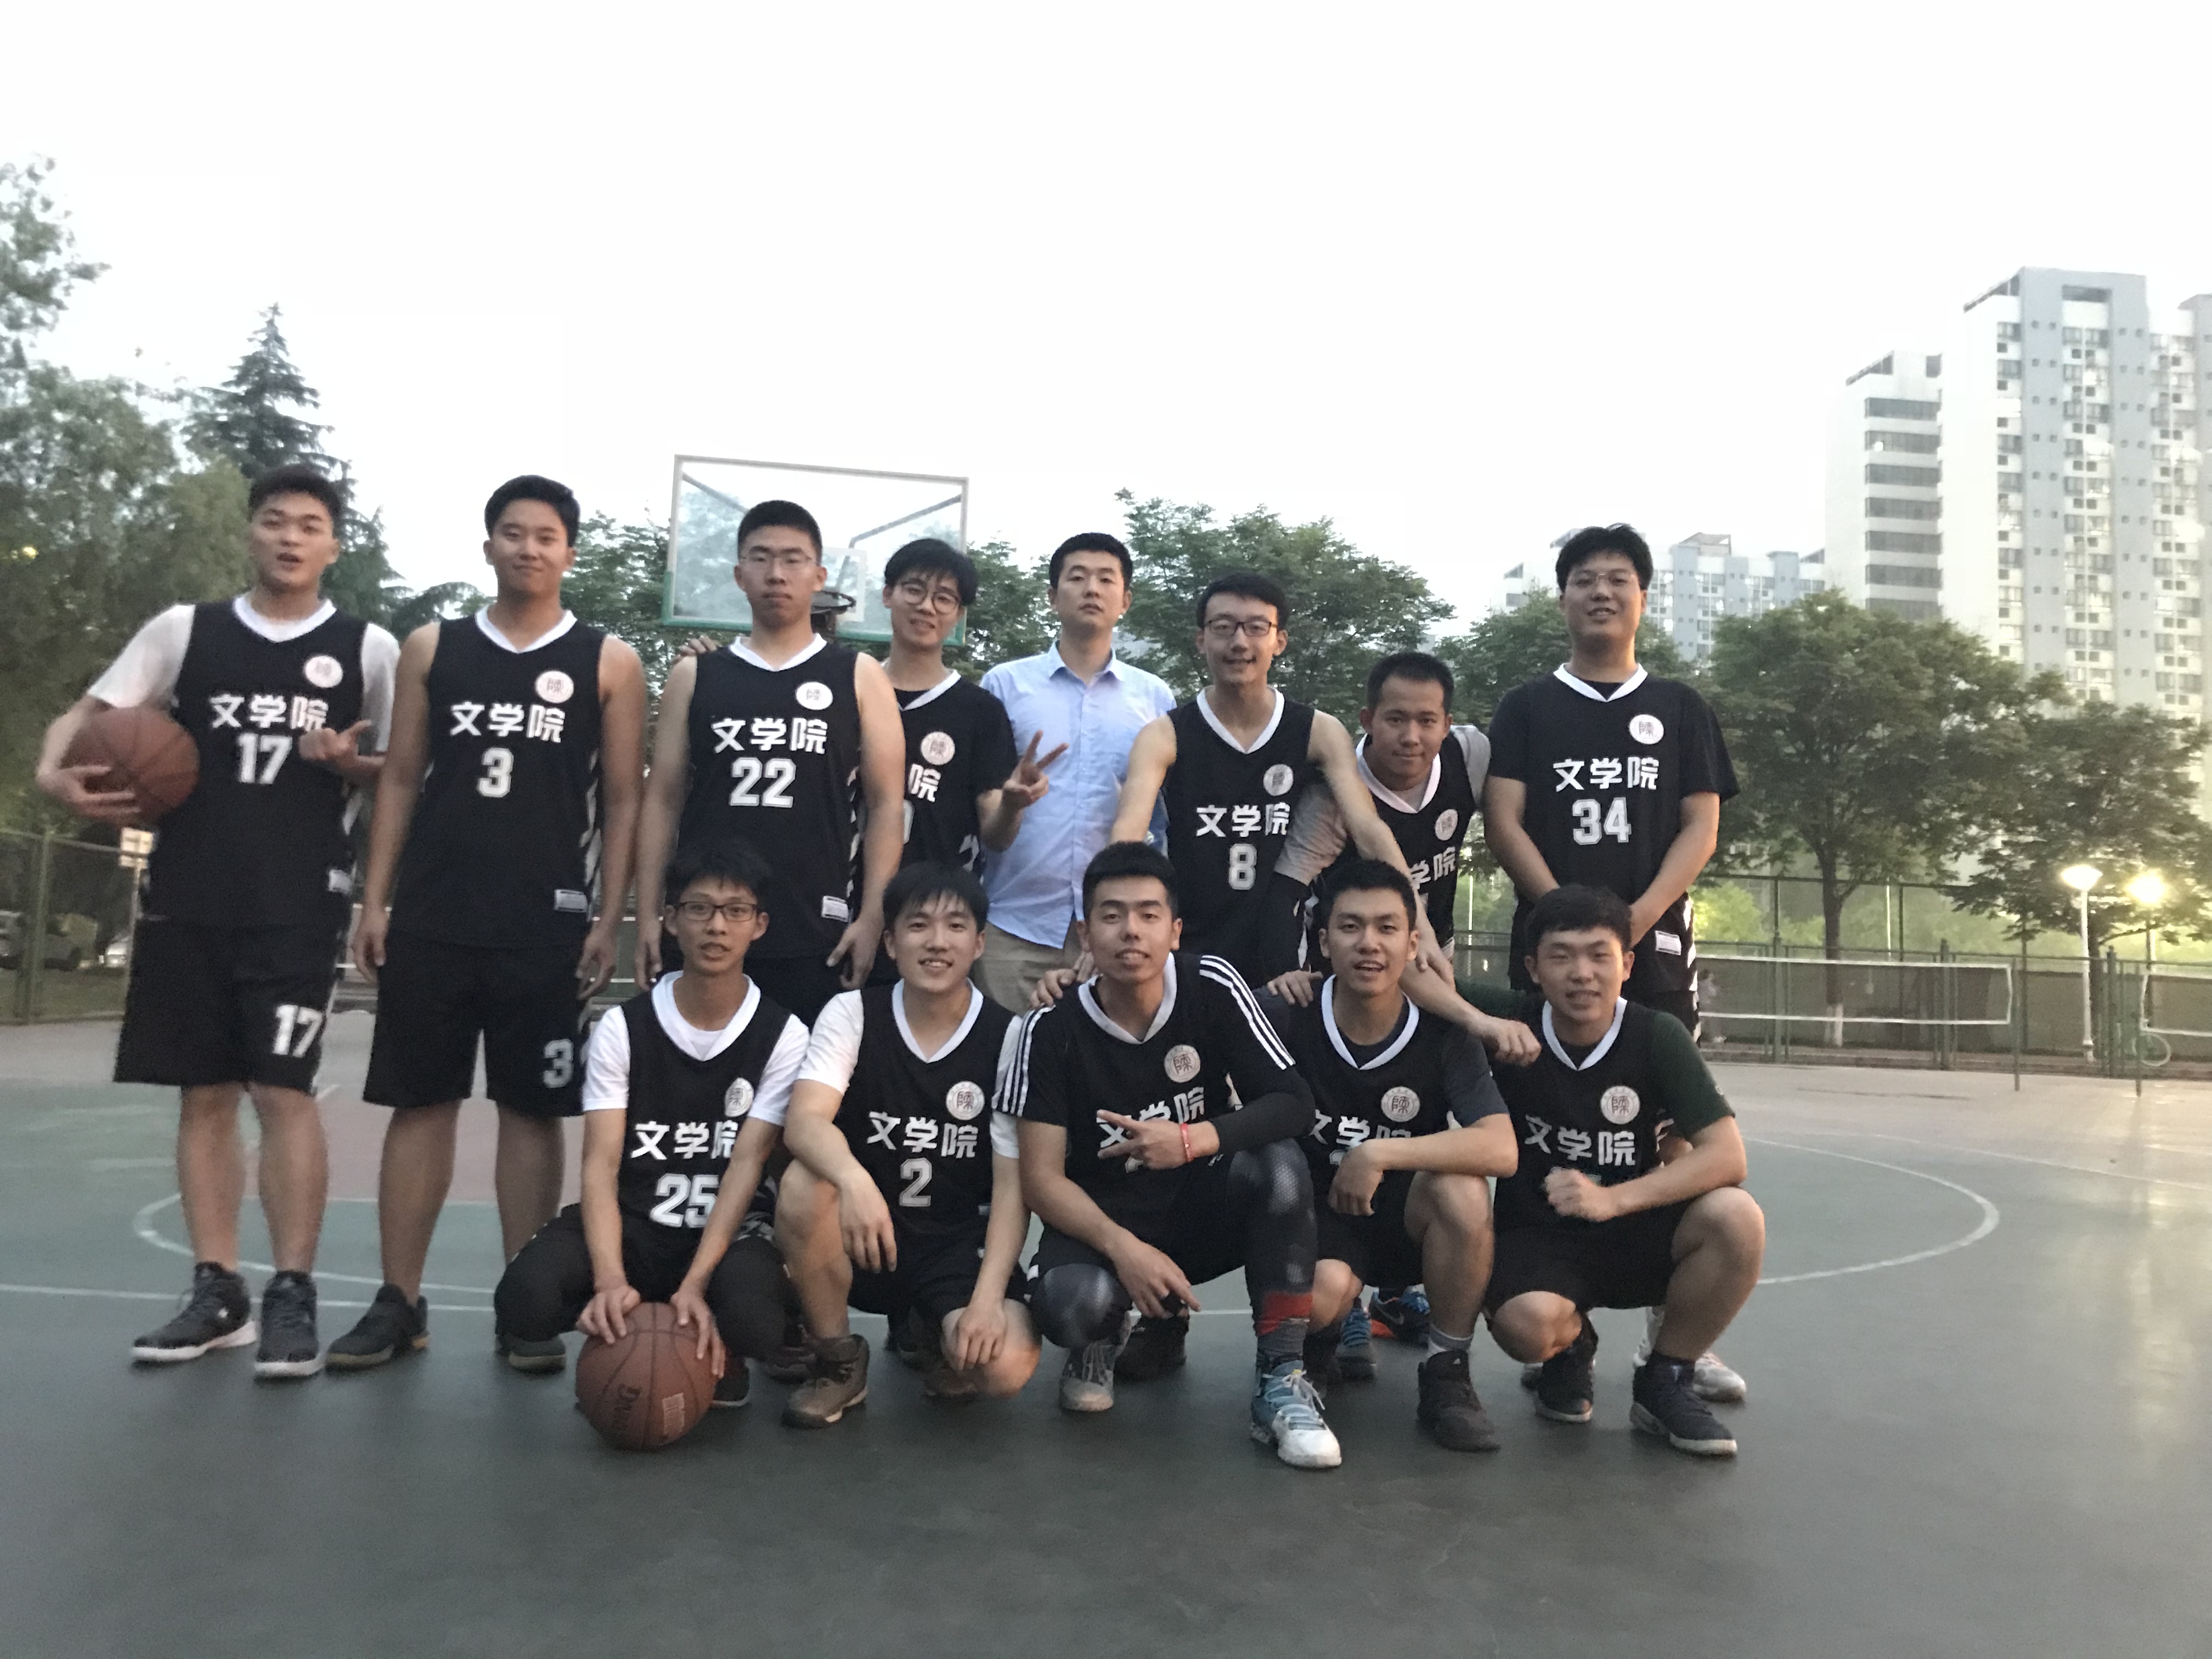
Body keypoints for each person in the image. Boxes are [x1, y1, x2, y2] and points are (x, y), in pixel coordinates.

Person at [35, 464, 396, 1378]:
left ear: (333, 545)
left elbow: (406, 768)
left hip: (298, 899)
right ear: (251, 532)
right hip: (189, 891)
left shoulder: (367, 648)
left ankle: (293, 1290)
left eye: (308, 524)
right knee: (203, 1093)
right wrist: (51, 771)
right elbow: (91, 711)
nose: (289, 536)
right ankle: (218, 1288)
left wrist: (351, 765)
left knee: (281, 1090)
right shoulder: (183, 631)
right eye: (274, 520)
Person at [331, 476, 647, 1374]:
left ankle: (523, 1302)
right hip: (436, 911)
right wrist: (376, 899)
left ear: (569, 553)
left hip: (547, 916)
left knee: (532, 1110)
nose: (528, 548)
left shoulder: (607, 660)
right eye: (513, 533)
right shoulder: (435, 647)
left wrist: (609, 916)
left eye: (546, 536)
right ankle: (399, 1299)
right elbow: (400, 776)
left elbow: (624, 799)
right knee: (420, 1101)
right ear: (488, 546)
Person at [1483, 522, 1746, 1403]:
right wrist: (1567, 922)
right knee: (1545, 1113)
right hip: (1558, 947)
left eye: (1619, 579)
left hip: (1652, 947)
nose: (1602, 592)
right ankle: (1564, 1318)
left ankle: (1675, 1336)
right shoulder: (1528, 707)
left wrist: (1633, 922)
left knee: (1669, 1135)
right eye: (1585, 579)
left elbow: (1700, 826)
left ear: (1642, 596)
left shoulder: (1678, 706)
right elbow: (1505, 821)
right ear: (1562, 598)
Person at [997, 841, 1339, 1470]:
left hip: (1197, 1211)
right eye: (1112, 915)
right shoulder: (1045, 1029)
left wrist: (1191, 1140)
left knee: (1281, 1165)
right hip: (1103, 1228)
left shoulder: (1213, 985)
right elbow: (1041, 1181)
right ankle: (1101, 1338)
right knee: (1073, 1306)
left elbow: (1293, 1103)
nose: (1131, 930)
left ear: (1175, 930)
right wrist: (1126, 1251)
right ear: (1085, 935)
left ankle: (1281, 1380)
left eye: (1149, 914)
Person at [492, 839, 809, 1406]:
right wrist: (610, 1279)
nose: (717, 926)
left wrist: (696, 1284)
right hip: (636, 1225)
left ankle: (719, 1342)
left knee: (756, 1322)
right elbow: (601, 1163)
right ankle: (627, 1327)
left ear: (759, 925)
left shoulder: (783, 1034)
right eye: (699, 908)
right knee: (523, 1301)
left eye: (736, 911)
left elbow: (746, 1164)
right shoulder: (623, 1027)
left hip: (727, 1233)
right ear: (670, 919)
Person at [1460, 884, 1764, 1457]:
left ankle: (1666, 1379)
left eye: (1599, 955)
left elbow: (1728, 1156)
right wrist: (1477, 1022)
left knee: (1736, 1218)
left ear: (1627, 964)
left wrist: (1612, 1200)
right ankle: (1571, 1347)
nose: (1582, 973)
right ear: (1533, 968)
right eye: (1562, 956)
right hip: (1540, 1235)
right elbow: (1407, 977)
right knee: (1526, 1327)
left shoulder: (1657, 1035)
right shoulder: (1513, 1021)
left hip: (1633, 1228)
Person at [1269, 648, 1491, 1364]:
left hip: (1426, 962)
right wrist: (1284, 973)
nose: (1411, 736)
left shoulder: (1474, 757)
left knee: (1423, 1122)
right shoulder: (1334, 797)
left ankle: (1402, 1291)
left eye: (1428, 721)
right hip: (1349, 972)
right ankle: (1347, 1296)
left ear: (1448, 725)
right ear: (1367, 721)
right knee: (1339, 1114)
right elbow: (1287, 890)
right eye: (1395, 719)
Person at [1256, 860, 1517, 1452]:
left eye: (1386, 928)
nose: (1369, 943)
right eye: (1350, 927)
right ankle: (1315, 1345)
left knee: (1463, 1190)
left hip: (1404, 1217)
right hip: (1319, 1218)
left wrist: (1378, 1153)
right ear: (1324, 942)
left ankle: (1447, 1371)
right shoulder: (1287, 1012)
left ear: (1413, 944)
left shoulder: (1444, 1030)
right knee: (1320, 1295)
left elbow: (1500, 1147)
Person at [774, 862, 1040, 1425]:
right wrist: (854, 1181)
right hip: (866, 1232)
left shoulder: (1010, 1037)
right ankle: (839, 1360)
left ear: (979, 943)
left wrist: (987, 1302)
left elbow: (1013, 1186)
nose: (937, 942)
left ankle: (930, 1327)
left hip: (956, 1242)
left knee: (1006, 1367)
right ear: (891, 943)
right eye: (918, 926)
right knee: (802, 1185)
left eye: (956, 926)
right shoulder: (852, 1013)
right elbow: (804, 1122)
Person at [635, 499, 906, 1024]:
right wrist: (648, 912)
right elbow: (662, 799)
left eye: (792, 559)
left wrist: (873, 916)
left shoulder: (859, 675)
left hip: (814, 926)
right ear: (740, 574)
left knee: (804, 1075)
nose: (776, 573)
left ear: (819, 577)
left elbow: (886, 806)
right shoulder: (695, 676)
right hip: (706, 923)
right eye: (761, 558)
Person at [1103, 572, 1443, 989]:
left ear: (1279, 641)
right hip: (1186, 951)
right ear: (1201, 640)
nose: (1239, 642)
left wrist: (1420, 924)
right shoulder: (1165, 735)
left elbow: (1369, 829)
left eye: (1256, 628)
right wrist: (1103, 927)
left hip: (1285, 962)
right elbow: (1128, 837)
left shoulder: (1318, 731)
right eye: (1223, 627)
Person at [975, 533, 1176, 1010]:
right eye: (1077, 577)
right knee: (1006, 1054)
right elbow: (990, 833)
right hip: (1014, 929)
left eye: (1106, 579)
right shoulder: (1004, 685)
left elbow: (1161, 822)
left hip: (1116, 936)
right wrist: (1012, 804)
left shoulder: (1154, 698)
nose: (1092, 589)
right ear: (1052, 596)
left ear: (1125, 600)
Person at [874, 539, 1052, 883]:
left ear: (959, 615)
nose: (926, 607)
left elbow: (996, 836)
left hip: (939, 903)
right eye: (914, 590)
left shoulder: (981, 710)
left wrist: (1011, 806)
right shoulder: (852, 691)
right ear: (888, 594)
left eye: (944, 598)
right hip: (842, 898)